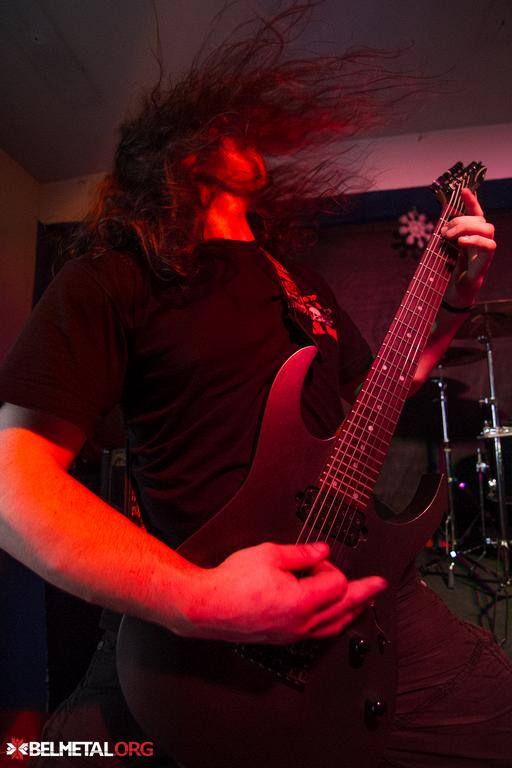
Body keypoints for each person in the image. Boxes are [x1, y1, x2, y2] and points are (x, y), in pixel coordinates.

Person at [0, 4, 510, 767]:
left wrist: (458, 294)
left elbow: (377, 396)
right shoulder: (112, 278)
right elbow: (15, 479)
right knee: (60, 757)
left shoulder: (298, 281)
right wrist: (200, 601)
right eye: (227, 128)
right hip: (195, 629)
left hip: (367, 593)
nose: (253, 135)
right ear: (182, 153)